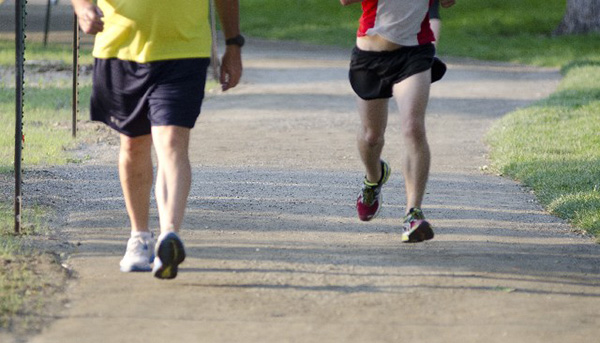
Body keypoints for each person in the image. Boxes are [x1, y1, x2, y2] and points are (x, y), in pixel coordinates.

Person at [70, 0, 243, 279]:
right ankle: (139, 237)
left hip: (185, 50)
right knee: (133, 144)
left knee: (172, 140)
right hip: (120, 49)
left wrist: (234, 44)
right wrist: (82, 8)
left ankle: (168, 236)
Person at [340, 0, 455, 243]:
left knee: (413, 128)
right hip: (369, 55)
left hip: (414, 54)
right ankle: (374, 178)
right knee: (372, 137)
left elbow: (447, 3)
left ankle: (413, 213)